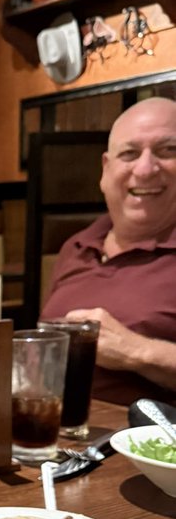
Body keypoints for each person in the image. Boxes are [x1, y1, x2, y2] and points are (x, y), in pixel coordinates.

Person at [40, 96, 176, 404]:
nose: (144, 169)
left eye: (168, 151)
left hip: (147, 448)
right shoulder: (76, 247)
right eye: (129, 153)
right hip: (49, 443)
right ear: (105, 169)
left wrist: (136, 351)